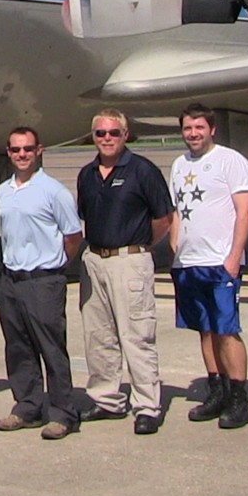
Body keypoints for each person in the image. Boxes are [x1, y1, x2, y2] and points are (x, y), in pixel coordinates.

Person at [75, 109, 174, 435]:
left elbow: (163, 219)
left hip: (129, 260)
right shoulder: (87, 174)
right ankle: (107, 400)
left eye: (113, 133)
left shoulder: (142, 170)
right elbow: (85, 217)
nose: (107, 139)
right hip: (94, 260)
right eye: (101, 133)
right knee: (98, 336)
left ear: (126, 135)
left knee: (136, 336)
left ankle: (147, 405)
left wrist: (141, 246)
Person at [0, 126, 84, 440]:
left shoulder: (54, 191)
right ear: (9, 152)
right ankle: (28, 407)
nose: (22, 155)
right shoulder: (3, 190)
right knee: (18, 347)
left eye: (28, 149)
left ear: (39, 151)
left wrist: (56, 266)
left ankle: (63, 413)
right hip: (11, 279)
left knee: (51, 348)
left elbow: (73, 236)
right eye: (16, 150)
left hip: (43, 280)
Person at [169, 102, 248, 429]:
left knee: (226, 330)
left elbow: (245, 210)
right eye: (188, 128)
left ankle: (238, 398)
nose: (193, 134)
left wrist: (235, 256)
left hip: (220, 260)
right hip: (189, 262)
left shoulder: (231, 161)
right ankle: (216, 390)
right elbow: (178, 209)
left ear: (212, 129)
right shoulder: (178, 164)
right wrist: (175, 247)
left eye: (199, 127)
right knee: (205, 329)